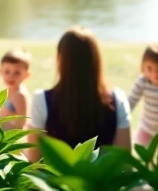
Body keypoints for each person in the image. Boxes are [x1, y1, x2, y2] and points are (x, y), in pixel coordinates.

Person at [25, 28, 132, 162]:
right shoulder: (118, 100)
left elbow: (35, 162)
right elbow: (124, 162)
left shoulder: (41, 100)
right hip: (102, 183)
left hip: (54, 183)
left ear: (60, 59)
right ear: (96, 60)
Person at [0, 48, 32, 130]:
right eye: (7, 72)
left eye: (17, 73)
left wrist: (9, 116)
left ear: (26, 75)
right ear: (0, 71)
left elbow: (22, 124)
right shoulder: (7, 91)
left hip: (9, 138)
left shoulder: (20, 96)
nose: (11, 76)